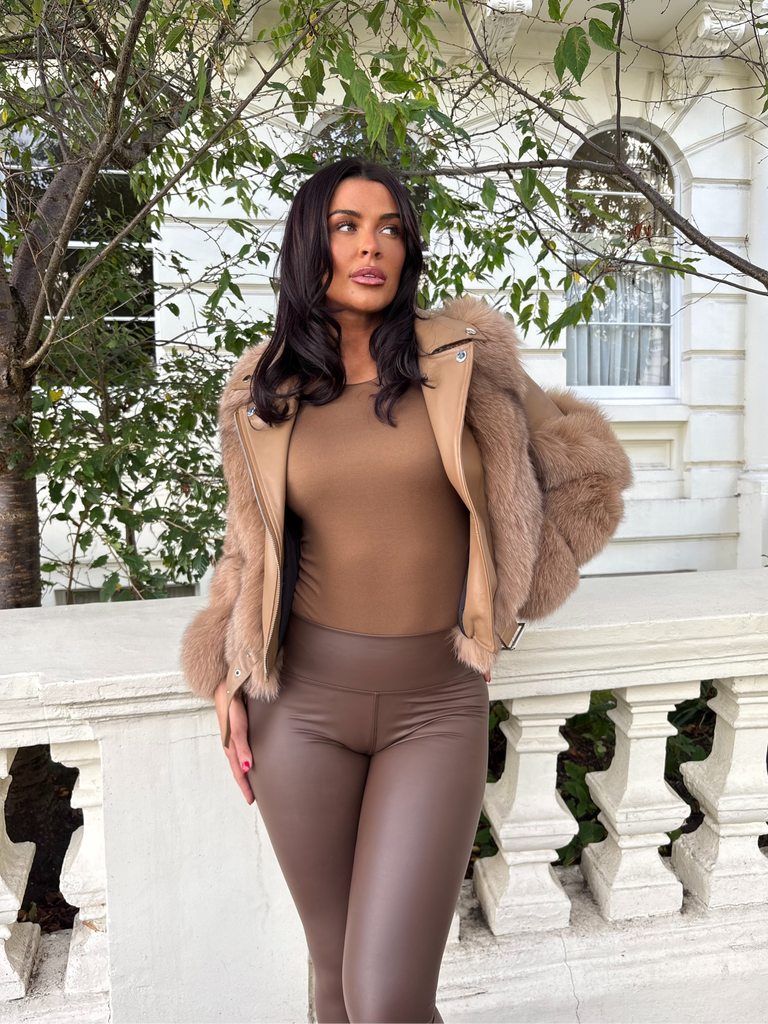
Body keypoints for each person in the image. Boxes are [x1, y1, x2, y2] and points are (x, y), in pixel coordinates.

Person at [180, 156, 632, 1024]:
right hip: (299, 706)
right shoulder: (262, 388)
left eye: (390, 228)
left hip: (435, 704)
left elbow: (592, 477)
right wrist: (228, 670)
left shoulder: (463, 357)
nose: (372, 246)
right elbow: (249, 548)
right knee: (333, 977)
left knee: (386, 997)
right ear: (308, 246)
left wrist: (507, 599)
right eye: (347, 227)